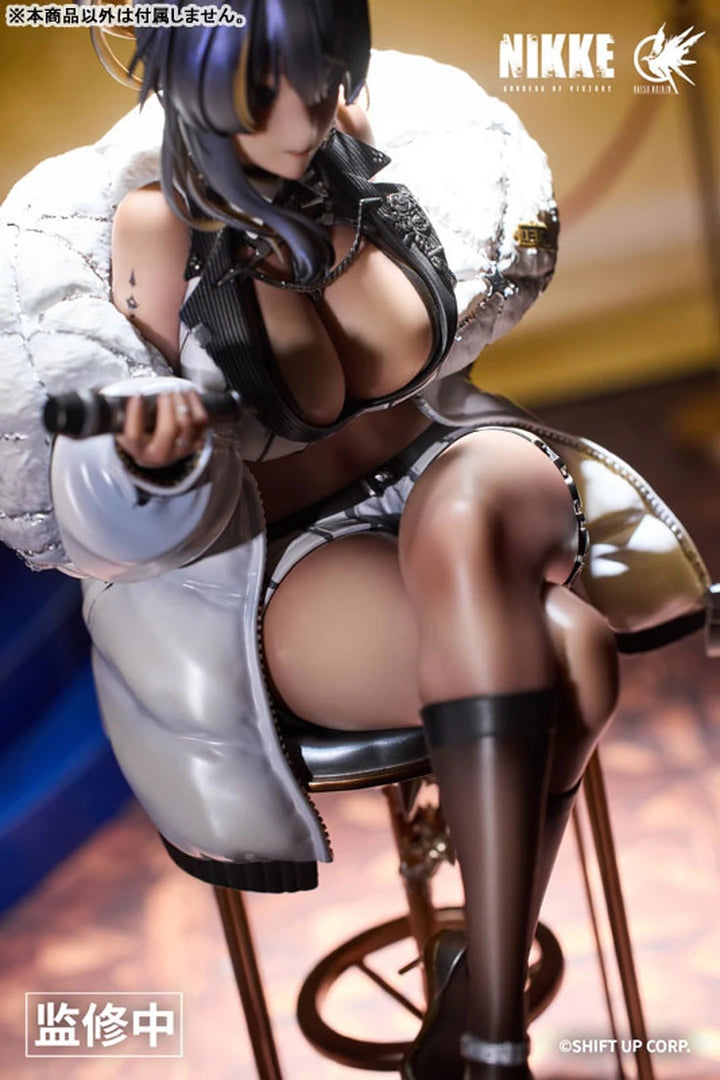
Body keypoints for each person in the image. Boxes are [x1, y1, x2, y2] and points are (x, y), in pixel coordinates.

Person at [1, 2, 710, 1077]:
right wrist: (150, 451)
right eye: (263, 93)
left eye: (323, 75)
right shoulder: (156, 228)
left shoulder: (360, 146)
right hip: (297, 555)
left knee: (472, 503)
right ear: (192, 82)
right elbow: (124, 437)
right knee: (572, 650)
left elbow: (458, 299)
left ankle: (486, 1036)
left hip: (451, 466)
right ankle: (482, 1005)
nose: (303, 117)